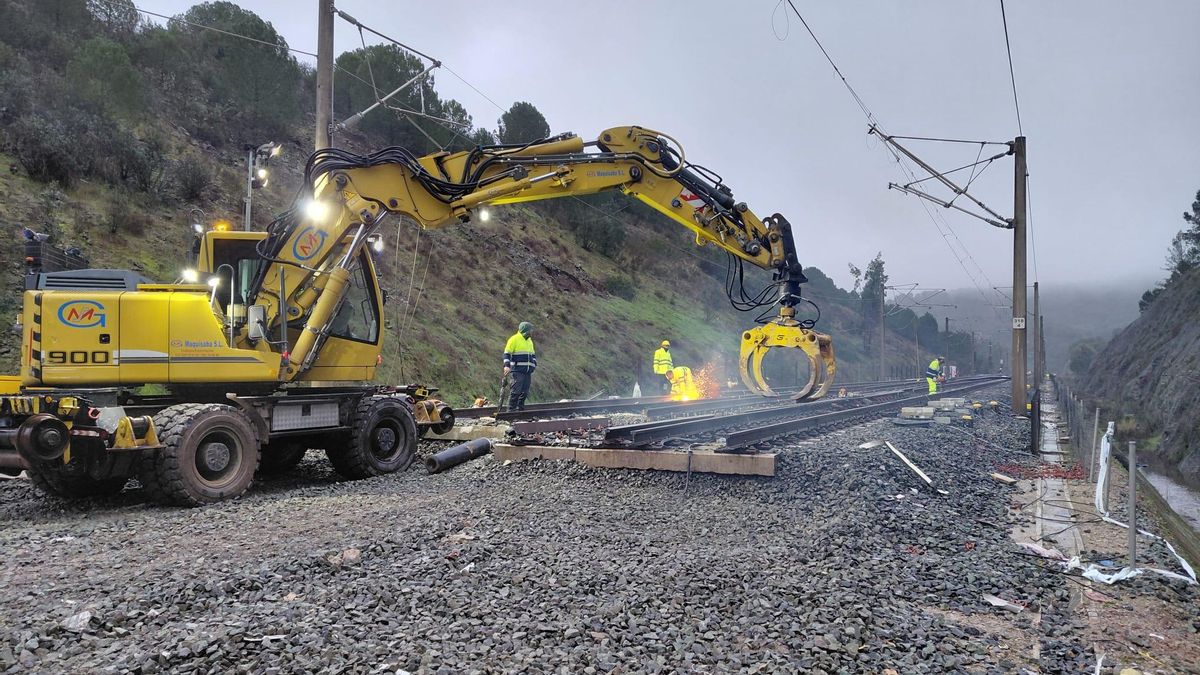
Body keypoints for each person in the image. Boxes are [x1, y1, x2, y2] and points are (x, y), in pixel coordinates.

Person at [502, 321, 537, 411]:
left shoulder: (529, 341)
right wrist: (506, 365)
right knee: (516, 391)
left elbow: (533, 355)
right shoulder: (514, 339)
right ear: (525, 330)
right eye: (530, 330)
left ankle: (520, 410)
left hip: (527, 371)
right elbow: (507, 353)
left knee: (524, 392)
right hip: (517, 370)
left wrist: (534, 364)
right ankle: (511, 411)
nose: (531, 332)